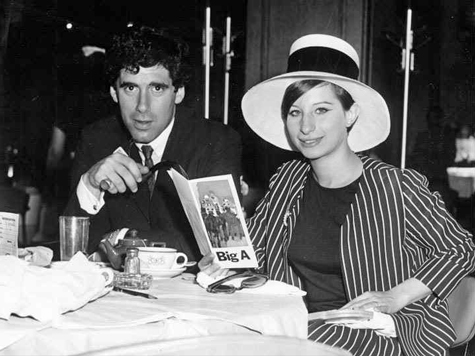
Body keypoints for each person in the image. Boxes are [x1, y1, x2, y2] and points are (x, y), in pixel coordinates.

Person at [198, 34, 475, 356]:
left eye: (322, 110)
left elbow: (460, 249)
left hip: (380, 332)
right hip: (301, 321)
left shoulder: (396, 186)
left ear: (350, 115)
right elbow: (257, 249)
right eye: (295, 112)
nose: (306, 126)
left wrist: (395, 296)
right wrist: (228, 264)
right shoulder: (288, 179)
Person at [63, 26, 242, 262]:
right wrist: (90, 185)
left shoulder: (217, 140)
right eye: (130, 88)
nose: (142, 107)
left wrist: (121, 239)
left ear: (178, 93)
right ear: (114, 93)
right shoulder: (96, 139)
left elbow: (222, 244)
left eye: (157, 88)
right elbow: (75, 252)